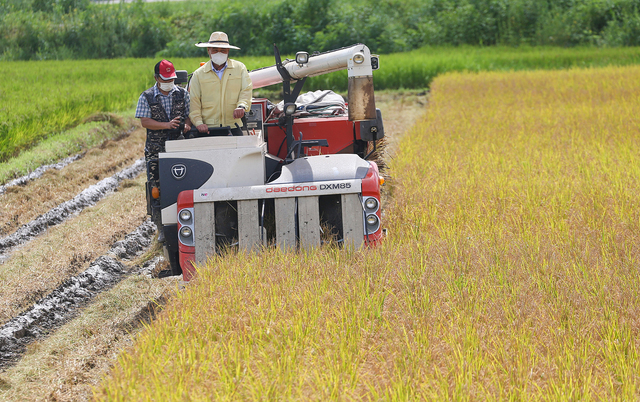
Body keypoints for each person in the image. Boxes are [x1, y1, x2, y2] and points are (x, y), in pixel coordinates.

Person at [135, 59, 191, 241]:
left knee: (183, 184)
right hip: (156, 149)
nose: (169, 82)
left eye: (171, 79)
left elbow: (190, 116)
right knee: (156, 188)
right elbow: (145, 121)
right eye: (165, 79)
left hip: (179, 147)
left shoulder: (182, 94)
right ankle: (161, 227)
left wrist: (187, 125)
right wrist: (166, 125)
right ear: (156, 78)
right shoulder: (147, 97)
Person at [189, 31, 252, 136]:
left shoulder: (239, 68)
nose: (219, 53)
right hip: (208, 128)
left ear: (228, 51)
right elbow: (194, 101)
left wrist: (242, 106)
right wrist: (198, 123)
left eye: (223, 50)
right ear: (208, 51)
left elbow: (246, 89)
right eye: (215, 50)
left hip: (233, 125)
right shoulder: (199, 74)